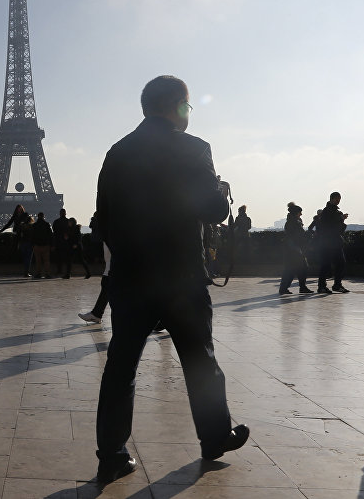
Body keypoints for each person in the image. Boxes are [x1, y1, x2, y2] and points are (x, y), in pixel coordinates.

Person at [91, 75, 248, 485]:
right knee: (200, 361)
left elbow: (102, 221)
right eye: (187, 106)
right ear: (177, 106)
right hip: (181, 277)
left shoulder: (117, 152)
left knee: (121, 367)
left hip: (130, 277)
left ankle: (111, 455)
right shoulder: (194, 149)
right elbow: (215, 211)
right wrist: (218, 187)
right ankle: (214, 436)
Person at [314, 191, 350, 294]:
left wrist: (341, 220)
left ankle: (336, 285)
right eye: (337, 199)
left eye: (339, 199)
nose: (338, 201)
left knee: (340, 263)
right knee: (326, 265)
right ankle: (324, 286)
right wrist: (341, 219)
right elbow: (329, 226)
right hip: (329, 242)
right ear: (332, 199)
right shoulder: (328, 211)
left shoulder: (333, 211)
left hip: (334, 242)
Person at [279, 202, 312, 295]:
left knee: (294, 268)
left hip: (293, 249)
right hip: (294, 250)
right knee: (295, 268)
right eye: (300, 212)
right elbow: (297, 236)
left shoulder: (292, 221)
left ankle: (288, 288)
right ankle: (289, 288)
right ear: (296, 213)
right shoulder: (293, 223)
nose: (301, 214)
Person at [0, 204, 34, 277]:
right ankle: (26, 270)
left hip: (23, 236)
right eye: (18, 208)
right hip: (19, 235)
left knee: (26, 255)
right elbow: (8, 224)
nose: (19, 209)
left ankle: (26, 271)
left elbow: (28, 223)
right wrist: (1, 230)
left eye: (20, 208)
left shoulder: (25, 215)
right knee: (25, 255)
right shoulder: (15, 216)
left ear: (22, 209)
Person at [31, 212, 53, 278]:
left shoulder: (34, 225)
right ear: (44, 216)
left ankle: (38, 274)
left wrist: (33, 244)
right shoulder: (47, 224)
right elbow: (50, 235)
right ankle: (47, 274)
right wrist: (51, 244)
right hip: (45, 245)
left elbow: (32, 236)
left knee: (38, 261)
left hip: (37, 246)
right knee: (46, 261)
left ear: (38, 216)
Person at [52, 209, 69, 275]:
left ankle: (59, 270)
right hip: (66, 242)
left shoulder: (56, 222)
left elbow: (54, 231)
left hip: (58, 242)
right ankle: (67, 271)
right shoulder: (68, 221)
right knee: (67, 257)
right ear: (65, 213)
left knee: (58, 257)